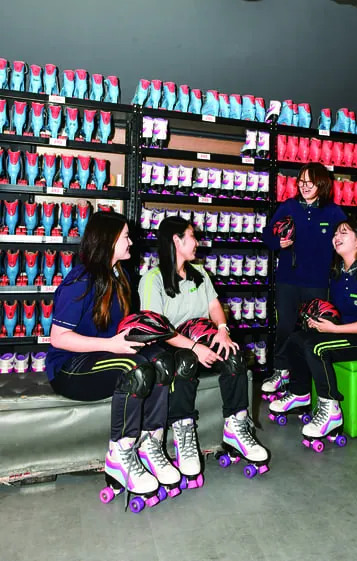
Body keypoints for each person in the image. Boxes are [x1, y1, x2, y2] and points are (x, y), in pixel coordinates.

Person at [46, 211, 189, 500]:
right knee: (135, 371)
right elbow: (58, 338)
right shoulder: (80, 281)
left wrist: (145, 335)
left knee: (162, 361)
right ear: (109, 241)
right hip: (69, 367)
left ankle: (151, 443)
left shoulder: (119, 275)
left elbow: (120, 330)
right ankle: (120, 454)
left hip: (103, 355)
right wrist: (111, 344)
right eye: (126, 237)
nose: (131, 242)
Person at [138, 216, 269, 485]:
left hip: (200, 336)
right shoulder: (152, 279)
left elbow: (214, 306)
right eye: (192, 236)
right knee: (185, 361)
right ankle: (184, 432)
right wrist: (195, 348)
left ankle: (236, 426)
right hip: (170, 344)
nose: (197, 242)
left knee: (234, 354)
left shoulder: (199, 273)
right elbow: (157, 328)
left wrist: (222, 329)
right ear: (176, 241)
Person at [261, 162, 357, 397]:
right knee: (284, 326)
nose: (305, 186)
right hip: (288, 280)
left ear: (322, 184)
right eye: (301, 182)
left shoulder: (333, 212)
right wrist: (278, 242)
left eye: (310, 182)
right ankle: (281, 370)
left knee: (314, 329)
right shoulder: (288, 206)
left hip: (318, 282)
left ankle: (308, 378)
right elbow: (267, 233)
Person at [268, 218, 357, 438]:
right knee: (296, 338)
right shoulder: (338, 273)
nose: (336, 237)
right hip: (344, 331)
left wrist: (333, 330)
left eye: (344, 233)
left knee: (316, 348)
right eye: (335, 233)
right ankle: (300, 393)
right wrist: (318, 321)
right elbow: (336, 312)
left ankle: (331, 409)